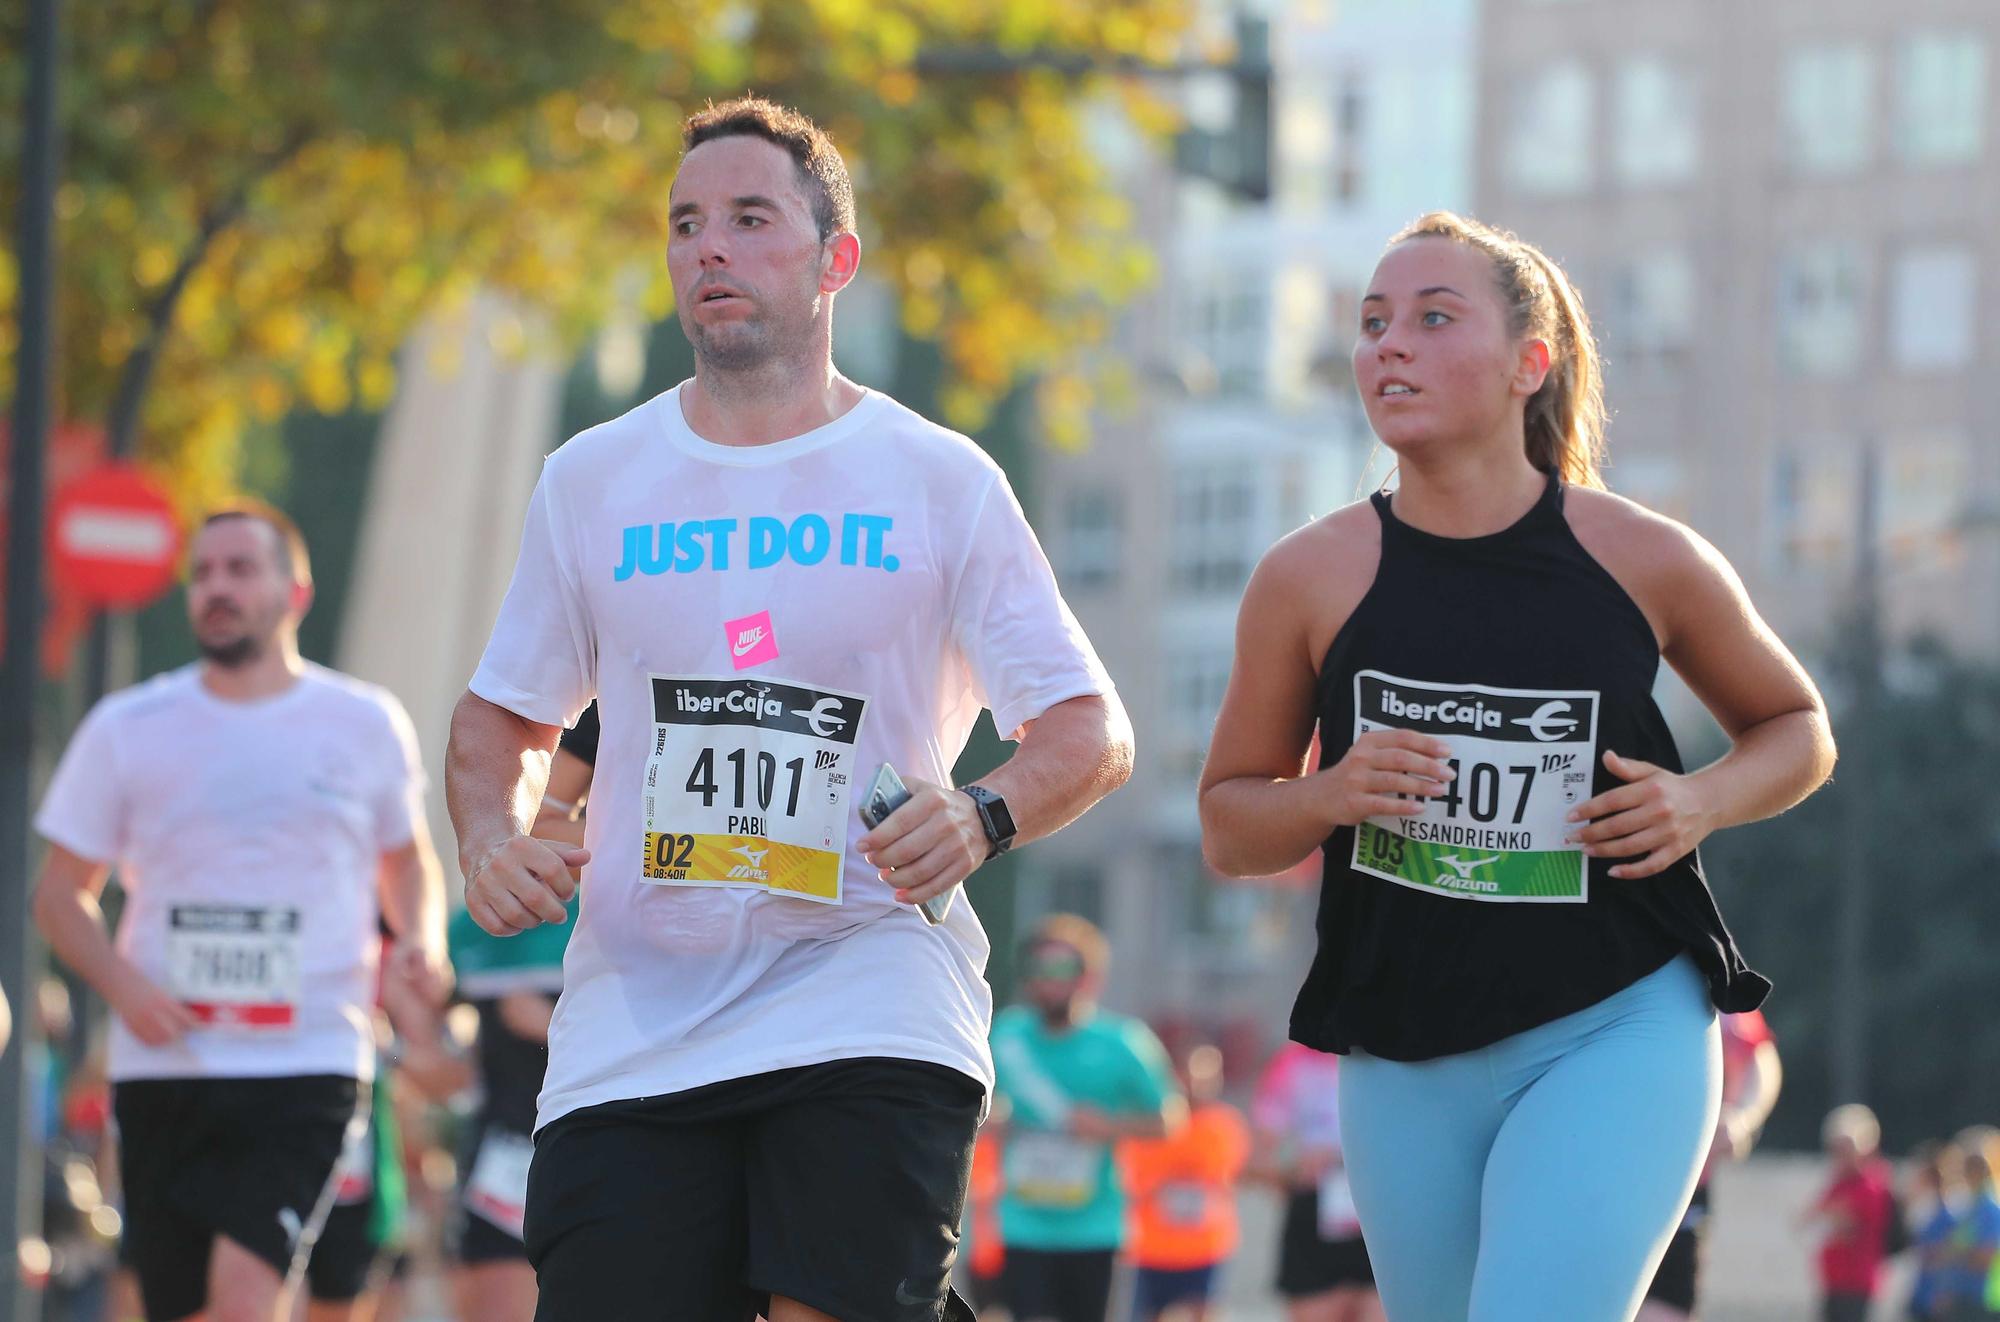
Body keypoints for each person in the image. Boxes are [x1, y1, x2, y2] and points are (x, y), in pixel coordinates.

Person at [445, 97, 1131, 1322]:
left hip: (866, 987)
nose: (708, 247)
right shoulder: (592, 479)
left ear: (834, 260)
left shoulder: (937, 477)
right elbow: (501, 721)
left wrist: (981, 817)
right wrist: (492, 840)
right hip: (635, 1023)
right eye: (685, 224)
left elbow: (1087, 727)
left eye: (750, 219)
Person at [1198, 211, 1836, 1322]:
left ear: (1525, 365)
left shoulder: (1640, 553)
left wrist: (1698, 798)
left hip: (1613, 1021)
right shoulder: (1308, 574)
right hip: (1398, 1049)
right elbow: (1229, 823)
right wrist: (1328, 792)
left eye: (1433, 317)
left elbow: (1795, 726)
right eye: (1370, 323)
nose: (1388, 344)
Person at [32, 503, 449, 1322]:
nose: (216, 588)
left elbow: (406, 863)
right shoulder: (129, 727)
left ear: (295, 590)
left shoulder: (363, 722)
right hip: (167, 1064)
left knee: (247, 1296)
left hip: (308, 1056)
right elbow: (58, 898)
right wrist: (126, 992)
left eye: (239, 569)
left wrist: (422, 940)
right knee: (178, 1307)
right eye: (204, 573)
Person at [989, 915, 1183, 1322]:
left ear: (1088, 977)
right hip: (1024, 1224)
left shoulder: (1122, 1042)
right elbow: (973, 1107)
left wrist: (1108, 1127)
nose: (1049, 980)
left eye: (1062, 969)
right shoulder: (1006, 1038)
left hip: (1096, 1228)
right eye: (1039, 969)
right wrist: (992, 1124)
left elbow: (1170, 1120)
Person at [1639, 1009, 1784, 1321]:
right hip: (1608, 1176)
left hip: (1683, 1183)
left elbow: (1759, 1057)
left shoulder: (1715, 991)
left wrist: (1742, 1116)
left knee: (1666, 1302)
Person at [1246, 1042, 1379, 1322]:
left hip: (1378, 1214)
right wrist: (1298, 1168)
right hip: (1314, 1215)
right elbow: (1259, 1161)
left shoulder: (1386, 1056)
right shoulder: (1290, 1064)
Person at [1119, 1044, 1249, 1322]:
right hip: (1151, 1249)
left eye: (1205, 1074)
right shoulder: (1150, 1125)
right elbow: (1133, 1179)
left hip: (1205, 1247)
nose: (1194, 1082)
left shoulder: (1224, 1124)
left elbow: (1225, 1176)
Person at [1803, 1104, 1898, 1322]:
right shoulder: (1839, 1183)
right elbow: (1811, 1216)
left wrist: (1832, 1214)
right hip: (1834, 1281)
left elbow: (1846, 1223)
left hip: (1856, 1283)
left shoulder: (1872, 1185)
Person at [1907, 1142, 1967, 1321]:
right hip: (1922, 1291)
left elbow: (1955, 1254)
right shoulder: (1925, 1208)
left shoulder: (1956, 1211)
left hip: (1941, 1295)